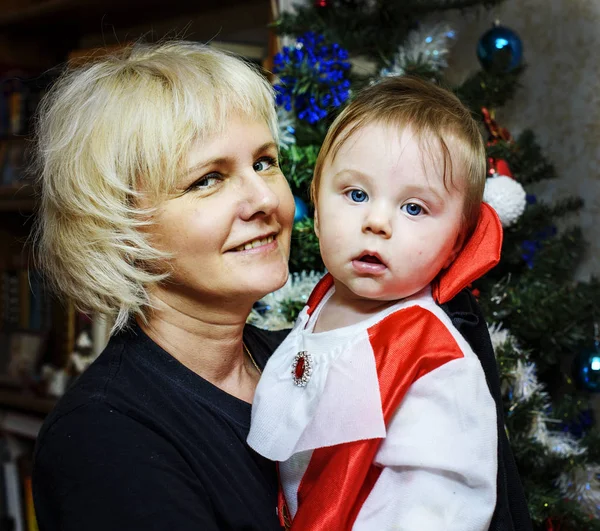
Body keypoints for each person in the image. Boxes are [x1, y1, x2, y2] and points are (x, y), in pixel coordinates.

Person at [31, 40, 295, 530]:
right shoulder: (104, 437)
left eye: (264, 162)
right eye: (207, 180)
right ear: (119, 225)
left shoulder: (304, 361)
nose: (263, 198)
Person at [248, 76, 508, 530]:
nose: (377, 221)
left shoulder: (434, 359)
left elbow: (440, 501)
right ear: (317, 199)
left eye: (413, 208)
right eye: (356, 194)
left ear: (455, 244)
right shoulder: (323, 300)